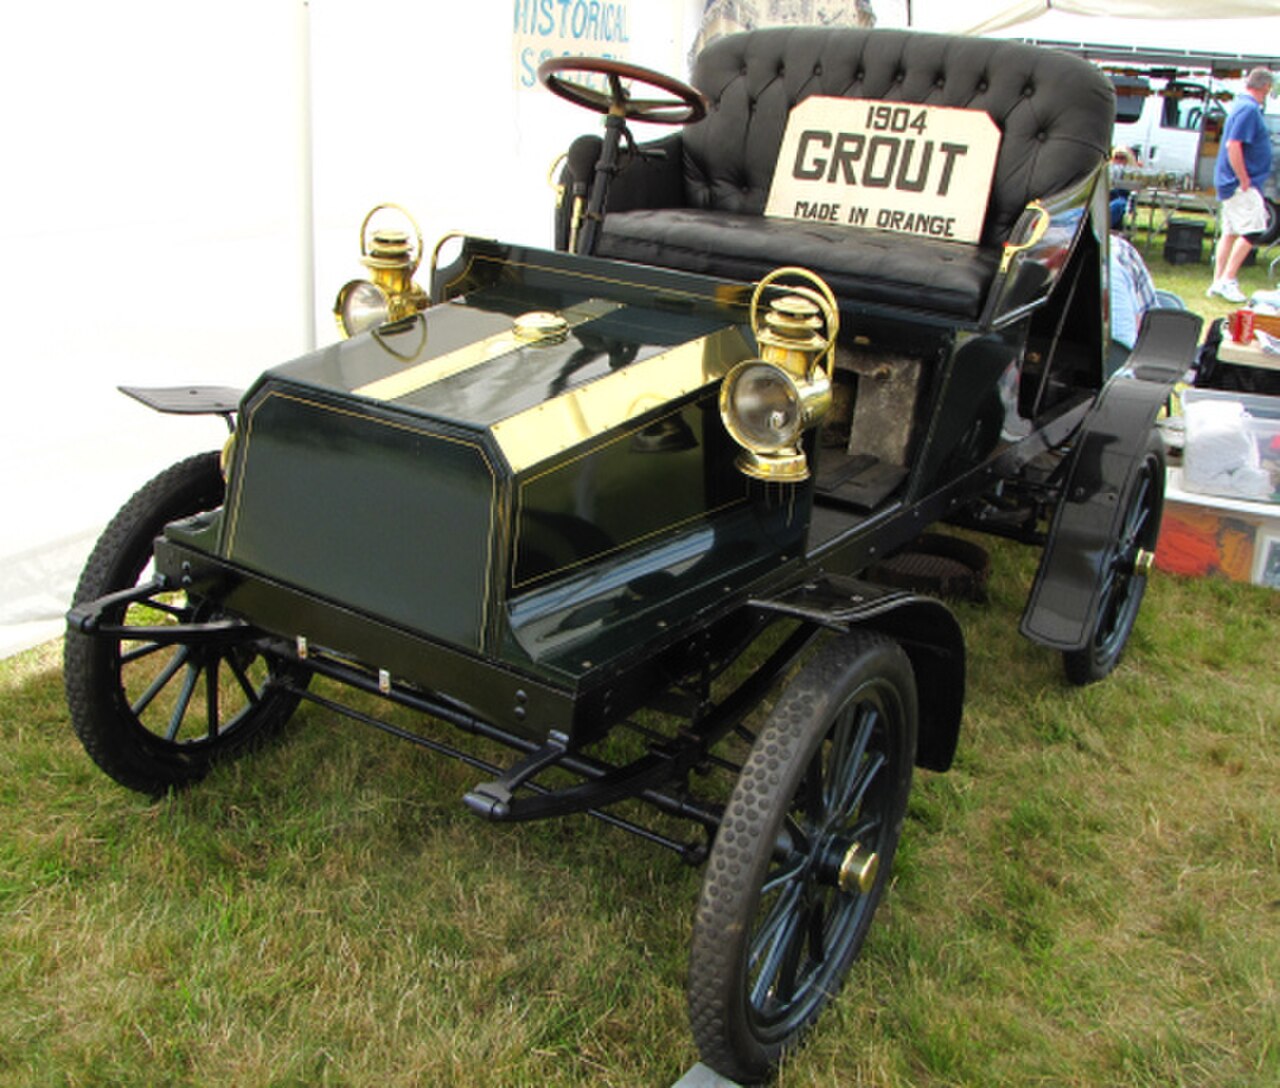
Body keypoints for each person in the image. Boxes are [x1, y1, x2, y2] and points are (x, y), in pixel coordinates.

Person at [1207, 68, 1275, 304]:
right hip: (1241, 183)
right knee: (1253, 230)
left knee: (1230, 232)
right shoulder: (1248, 109)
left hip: (1232, 181)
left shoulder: (1240, 106)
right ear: (1265, 87)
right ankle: (1228, 278)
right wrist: (1244, 178)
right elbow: (1233, 145)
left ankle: (1217, 281)